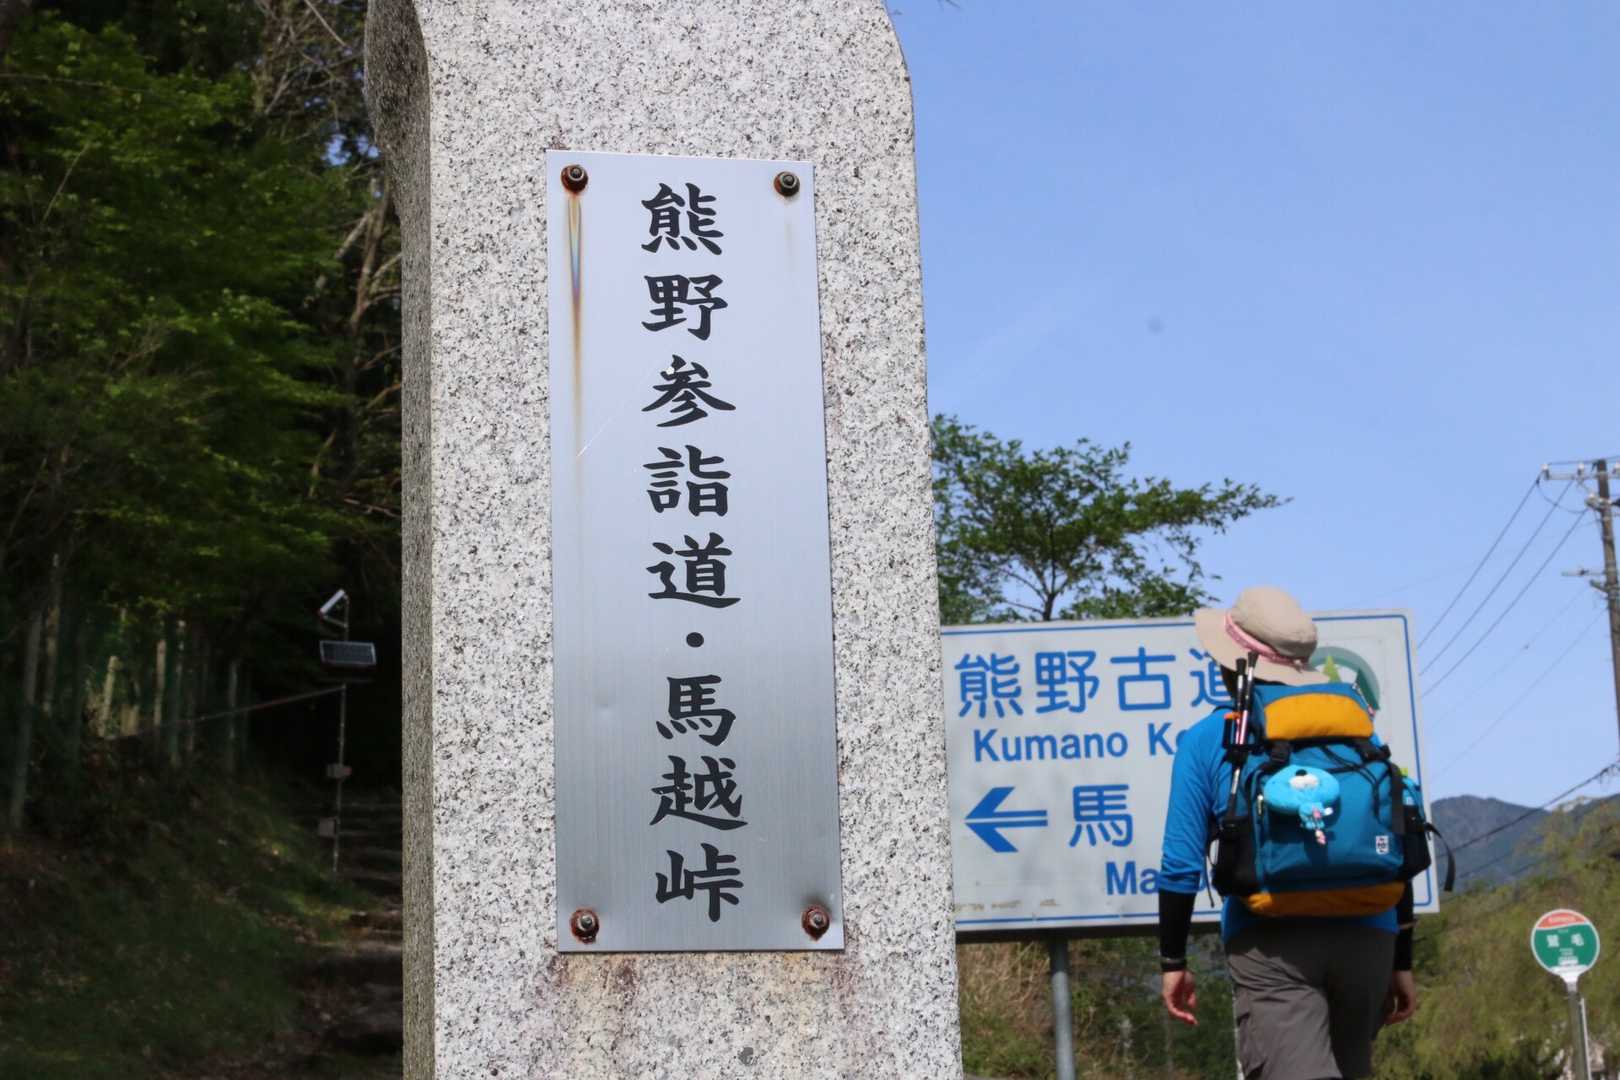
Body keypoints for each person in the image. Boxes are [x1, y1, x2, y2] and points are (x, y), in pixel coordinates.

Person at [1157, 586, 1417, 1080]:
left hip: (1269, 939)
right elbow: (1396, 838)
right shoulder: (1356, 728)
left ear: (1231, 665)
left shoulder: (1210, 738)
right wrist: (1401, 960)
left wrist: (1174, 961)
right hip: (1370, 936)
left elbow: (1180, 864)